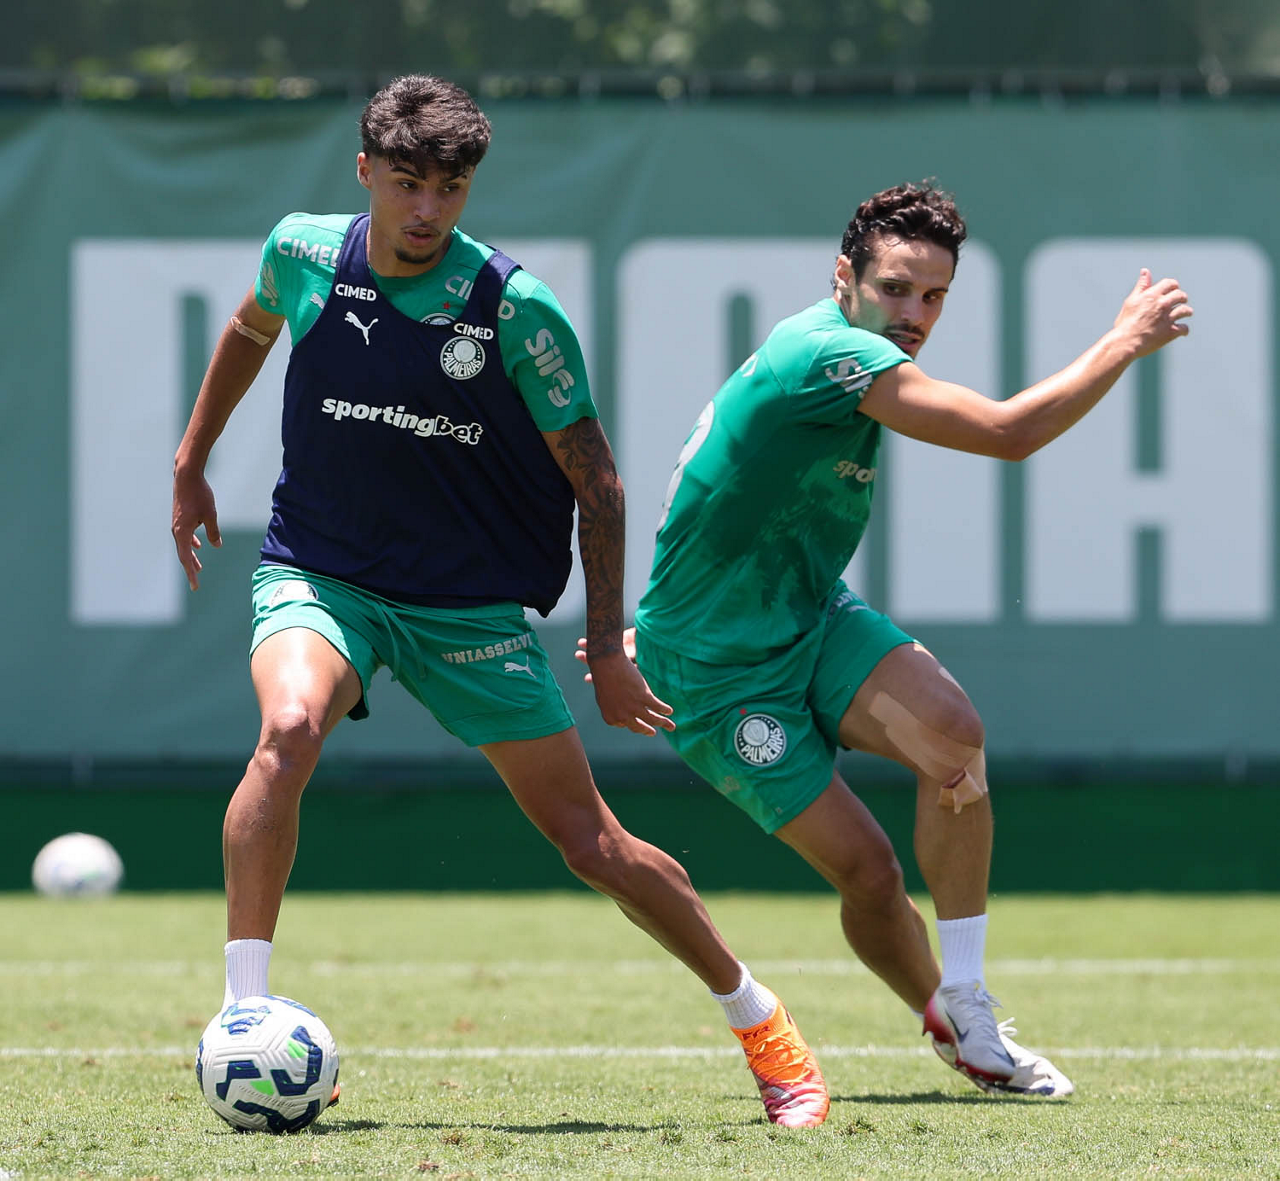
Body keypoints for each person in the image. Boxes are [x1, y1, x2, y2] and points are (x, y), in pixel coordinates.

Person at [170, 74, 829, 1128]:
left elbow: (599, 485)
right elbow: (251, 329)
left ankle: (762, 1022)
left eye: (451, 187)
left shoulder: (513, 309)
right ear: (364, 172)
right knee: (287, 728)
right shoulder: (302, 251)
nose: (427, 209)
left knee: (589, 841)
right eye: (406, 183)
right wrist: (192, 457)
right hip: (322, 571)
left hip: (467, 607)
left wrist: (606, 644)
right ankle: (245, 1010)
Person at [597, 181, 1192, 1098]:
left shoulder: (851, 349)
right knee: (871, 872)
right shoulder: (828, 353)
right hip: (716, 674)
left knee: (954, 738)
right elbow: (1008, 433)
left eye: (935, 295)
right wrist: (1123, 340)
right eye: (895, 289)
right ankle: (942, 1017)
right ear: (844, 277)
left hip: (806, 614)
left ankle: (971, 1002)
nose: (914, 314)